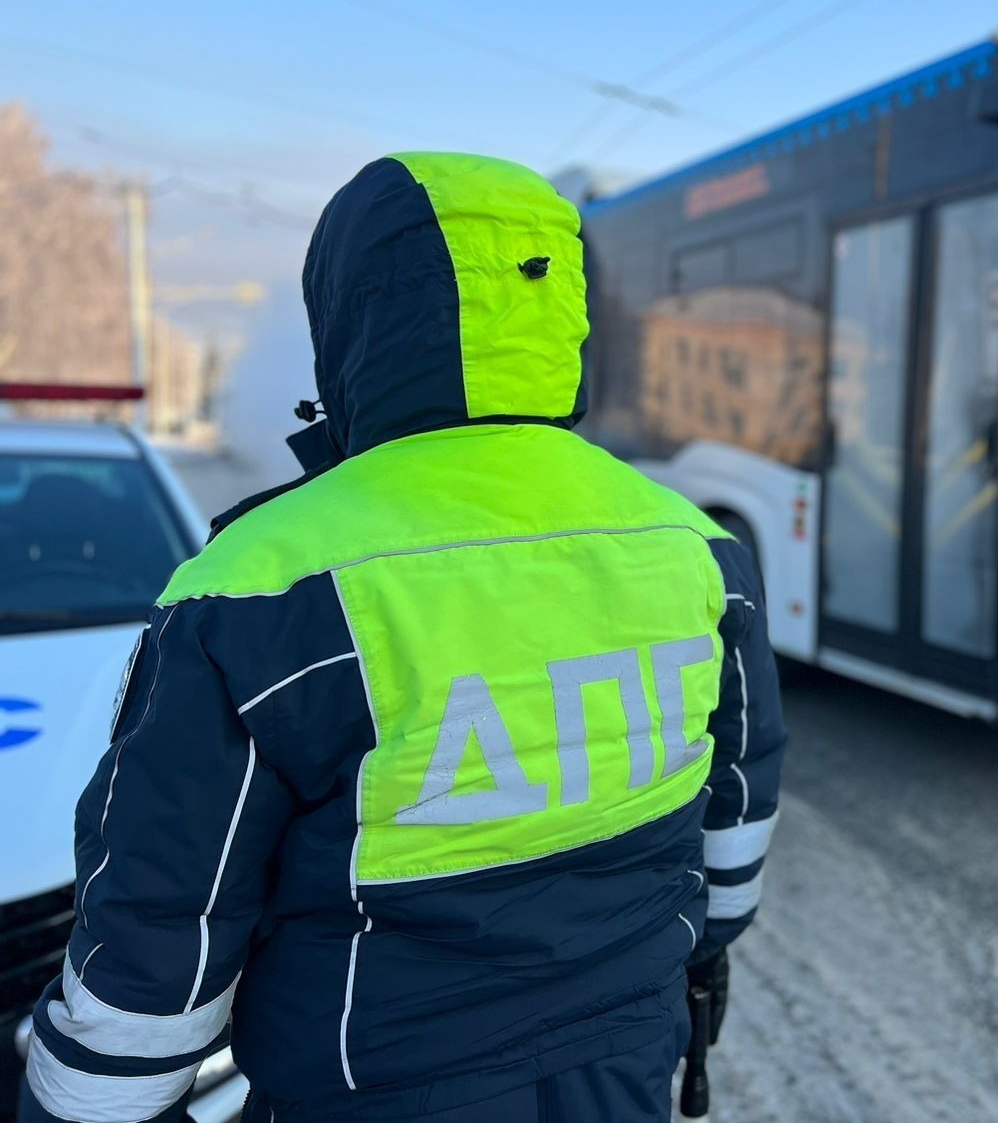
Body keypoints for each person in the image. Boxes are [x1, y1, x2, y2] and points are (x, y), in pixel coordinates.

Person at [19, 153, 785, 1123]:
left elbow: (163, 926)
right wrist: (698, 946)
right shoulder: (699, 546)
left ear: (344, 318)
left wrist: (80, 1105)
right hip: (623, 1065)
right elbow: (738, 802)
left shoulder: (255, 585)